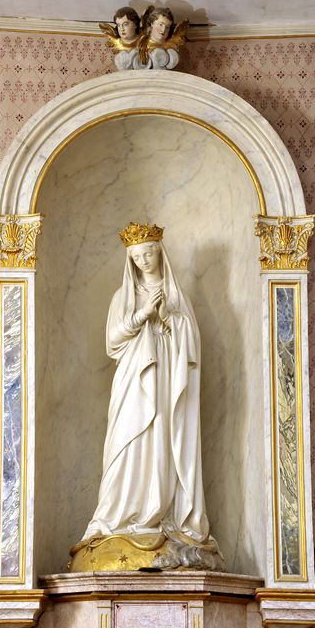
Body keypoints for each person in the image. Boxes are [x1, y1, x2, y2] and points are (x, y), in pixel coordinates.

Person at [82, 223, 210, 545]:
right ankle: (117, 516)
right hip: (133, 379)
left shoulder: (177, 295)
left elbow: (192, 343)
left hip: (167, 378)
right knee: (127, 439)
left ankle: (160, 512)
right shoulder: (122, 297)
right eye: (136, 257)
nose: (143, 261)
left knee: (162, 438)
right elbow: (112, 341)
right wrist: (142, 314)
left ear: (159, 252)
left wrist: (166, 316)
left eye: (148, 253)